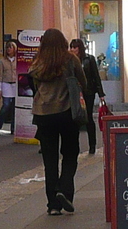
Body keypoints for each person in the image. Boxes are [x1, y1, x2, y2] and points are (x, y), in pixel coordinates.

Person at [30, 29, 88, 215]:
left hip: (43, 113)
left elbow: (35, 86)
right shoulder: (71, 60)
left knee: (50, 159)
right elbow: (83, 82)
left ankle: (53, 204)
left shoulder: (38, 62)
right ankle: (65, 190)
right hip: (66, 112)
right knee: (70, 153)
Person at [70, 38, 105, 155]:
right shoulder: (69, 60)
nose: (73, 49)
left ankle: (92, 145)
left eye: (75, 47)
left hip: (88, 92)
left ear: (80, 48)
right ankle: (75, 147)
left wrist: (101, 94)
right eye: (71, 47)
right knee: (75, 118)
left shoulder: (89, 59)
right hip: (75, 93)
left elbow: (96, 76)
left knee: (88, 117)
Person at [0, 39, 19, 135]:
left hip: (15, 85)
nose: (9, 49)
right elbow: (0, 75)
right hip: (6, 84)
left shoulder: (17, 60)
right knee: (6, 106)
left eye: (11, 47)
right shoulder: (2, 61)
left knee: (14, 107)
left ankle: (13, 128)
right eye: (7, 47)